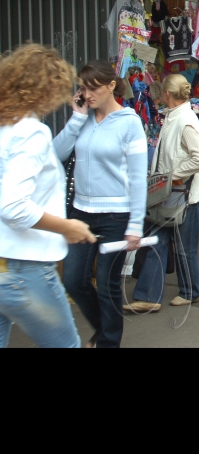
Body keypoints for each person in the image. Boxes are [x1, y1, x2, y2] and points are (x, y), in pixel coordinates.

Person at [0, 43, 96, 349]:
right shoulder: (31, 131)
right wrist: (66, 227)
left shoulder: (8, 127)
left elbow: (49, 157)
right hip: (23, 267)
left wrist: (76, 119)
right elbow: (12, 206)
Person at [54, 60, 148, 348]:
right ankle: (103, 329)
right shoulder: (82, 119)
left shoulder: (130, 122)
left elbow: (138, 176)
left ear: (111, 86)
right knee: (73, 281)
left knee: (107, 286)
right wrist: (76, 117)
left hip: (116, 216)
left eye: (93, 87)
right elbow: (56, 153)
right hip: (80, 212)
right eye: (83, 87)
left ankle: (108, 342)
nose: (88, 93)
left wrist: (135, 224)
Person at [125, 74, 199, 313]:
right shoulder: (173, 117)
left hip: (186, 196)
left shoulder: (184, 120)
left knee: (184, 248)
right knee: (156, 243)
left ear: (166, 94)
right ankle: (149, 296)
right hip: (167, 194)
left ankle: (190, 291)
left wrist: (173, 176)